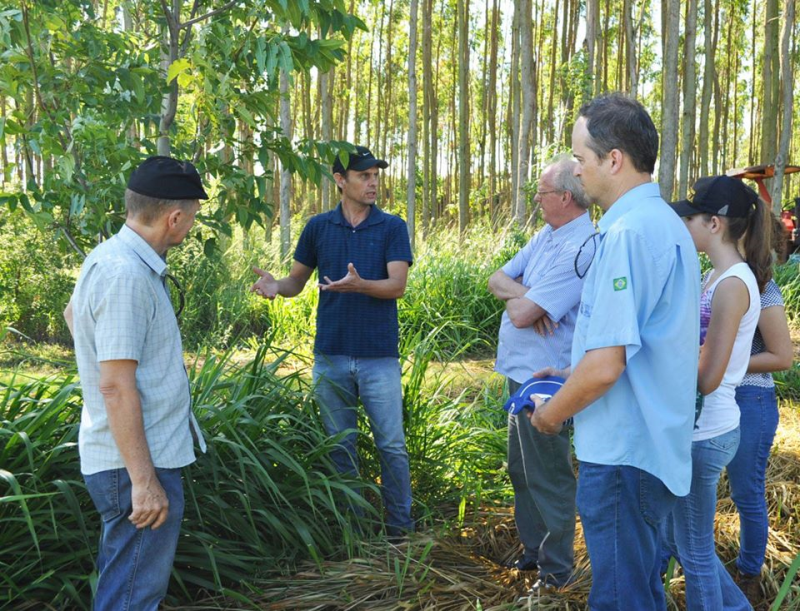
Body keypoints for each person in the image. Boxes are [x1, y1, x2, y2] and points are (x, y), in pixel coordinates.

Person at [527, 93, 700, 611]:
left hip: (625, 456)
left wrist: (552, 416)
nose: (576, 172)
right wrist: (568, 371)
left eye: (580, 158)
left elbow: (606, 367)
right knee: (641, 590)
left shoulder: (627, 233)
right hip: (653, 447)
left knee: (622, 599)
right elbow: (639, 345)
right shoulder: (665, 224)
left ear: (614, 159)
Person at [64, 156, 208, 610]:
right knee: (133, 597)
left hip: (130, 458)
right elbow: (115, 387)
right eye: (192, 216)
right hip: (136, 464)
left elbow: (73, 316)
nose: (190, 224)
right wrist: (144, 481)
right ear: (175, 218)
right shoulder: (126, 273)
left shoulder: (111, 256)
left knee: (125, 584)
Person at [250, 146, 414, 536]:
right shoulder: (318, 227)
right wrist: (276, 286)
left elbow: (397, 286)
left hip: (379, 357)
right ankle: (352, 531)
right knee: (340, 448)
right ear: (340, 181)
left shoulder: (392, 227)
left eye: (376, 175)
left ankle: (400, 530)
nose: (373, 182)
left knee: (391, 446)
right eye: (363, 176)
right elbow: (296, 281)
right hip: (330, 356)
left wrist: (360, 285)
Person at [664, 175, 772, 611]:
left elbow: (708, 377)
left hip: (707, 430)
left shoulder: (733, 285)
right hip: (700, 426)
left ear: (714, 223)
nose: (684, 225)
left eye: (690, 217)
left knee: (694, 553)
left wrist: (657, 364)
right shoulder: (716, 276)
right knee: (682, 540)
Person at [487, 155, 594, 591]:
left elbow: (521, 314)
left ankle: (556, 571)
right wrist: (528, 295)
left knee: (548, 472)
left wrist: (525, 303)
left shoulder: (579, 247)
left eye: (543, 192)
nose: (536, 198)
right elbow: (496, 279)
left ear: (565, 197)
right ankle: (533, 552)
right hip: (520, 372)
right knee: (521, 468)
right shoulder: (547, 235)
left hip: (546, 379)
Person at [728, 216, 793, 605]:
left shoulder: (764, 290)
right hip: (716, 398)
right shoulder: (717, 280)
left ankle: (748, 573)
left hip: (750, 400)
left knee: (746, 492)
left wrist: (724, 362)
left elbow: (782, 357)